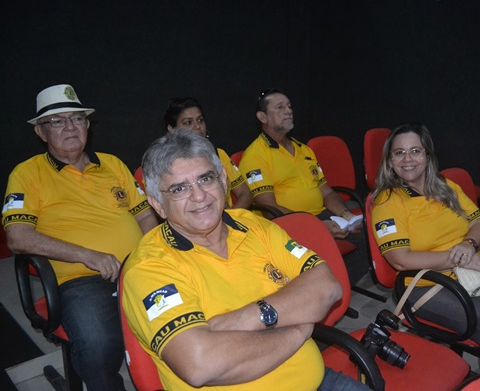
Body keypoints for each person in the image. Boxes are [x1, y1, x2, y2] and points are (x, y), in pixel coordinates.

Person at [121, 129, 372, 390]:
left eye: (205, 178)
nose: (199, 196)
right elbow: (200, 364)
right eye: (179, 188)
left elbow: (327, 287)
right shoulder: (149, 266)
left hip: (318, 381)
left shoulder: (252, 224)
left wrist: (252, 317)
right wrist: (298, 328)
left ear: (223, 179)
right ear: (158, 204)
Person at [2, 84, 158, 391]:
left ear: (87, 125)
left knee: (184, 318)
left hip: (139, 269)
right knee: (99, 346)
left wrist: (155, 252)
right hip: (82, 279)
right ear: (41, 132)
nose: (70, 127)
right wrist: (88, 256)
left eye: (77, 119)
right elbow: (17, 237)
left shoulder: (112, 164)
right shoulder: (27, 174)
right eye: (57, 121)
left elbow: (144, 215)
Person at [369, 123, 480, 391]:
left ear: (427, 155)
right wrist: (459, 258)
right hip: (427, 285)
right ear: (390, 161)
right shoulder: (386, 202)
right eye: (399, 153)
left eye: (415, 151)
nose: (407, 159)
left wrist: (468, 244)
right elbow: (400, 260)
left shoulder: (446, 186)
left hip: (473, 268)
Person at [238, 88, 367, 283]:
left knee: (368, 235)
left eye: (289, 106)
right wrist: (316, 226)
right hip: (287, 225)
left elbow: (326, 192)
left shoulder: (304, 150)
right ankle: (325, 287)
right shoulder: (255, 155)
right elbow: (268, 208)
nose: (288, 111)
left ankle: (337, 286)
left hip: (318, 216)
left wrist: (346, 215)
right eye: (280, 107)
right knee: (324, 249)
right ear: (262, 117)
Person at [164, 97, 253, 209]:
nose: (197, 126)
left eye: (200, 120)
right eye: (188, 122)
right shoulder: (164, 165)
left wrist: (231, 216)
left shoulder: (218, 154)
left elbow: (245, 194)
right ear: (172, 129)